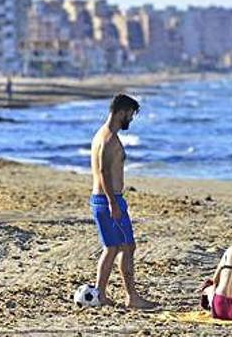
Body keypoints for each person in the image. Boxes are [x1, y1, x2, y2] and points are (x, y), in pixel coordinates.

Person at [90, 94, 157, 309]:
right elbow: (103, 172)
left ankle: (100, 294)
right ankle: (132, 297)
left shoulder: (101, 135)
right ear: (121, 112)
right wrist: (113, 203)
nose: (131, 119)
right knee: (127, 247)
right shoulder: (109, 139)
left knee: (112, 248)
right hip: (109, 200)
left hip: (102, 199)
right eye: (130, 114)